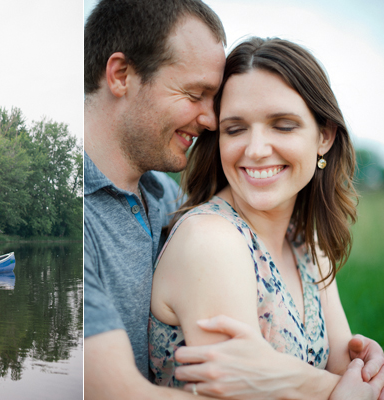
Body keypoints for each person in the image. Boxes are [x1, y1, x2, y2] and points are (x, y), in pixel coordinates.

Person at [83, 0, 384, 399]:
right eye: (195, 93)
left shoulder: (162, 196)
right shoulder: (85, 219)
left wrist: (361, 374)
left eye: (283, 124)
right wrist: (339, 391)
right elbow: (116, 392)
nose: (209, 120)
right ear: (121, 75)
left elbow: (338, 370)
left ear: (324, 136)